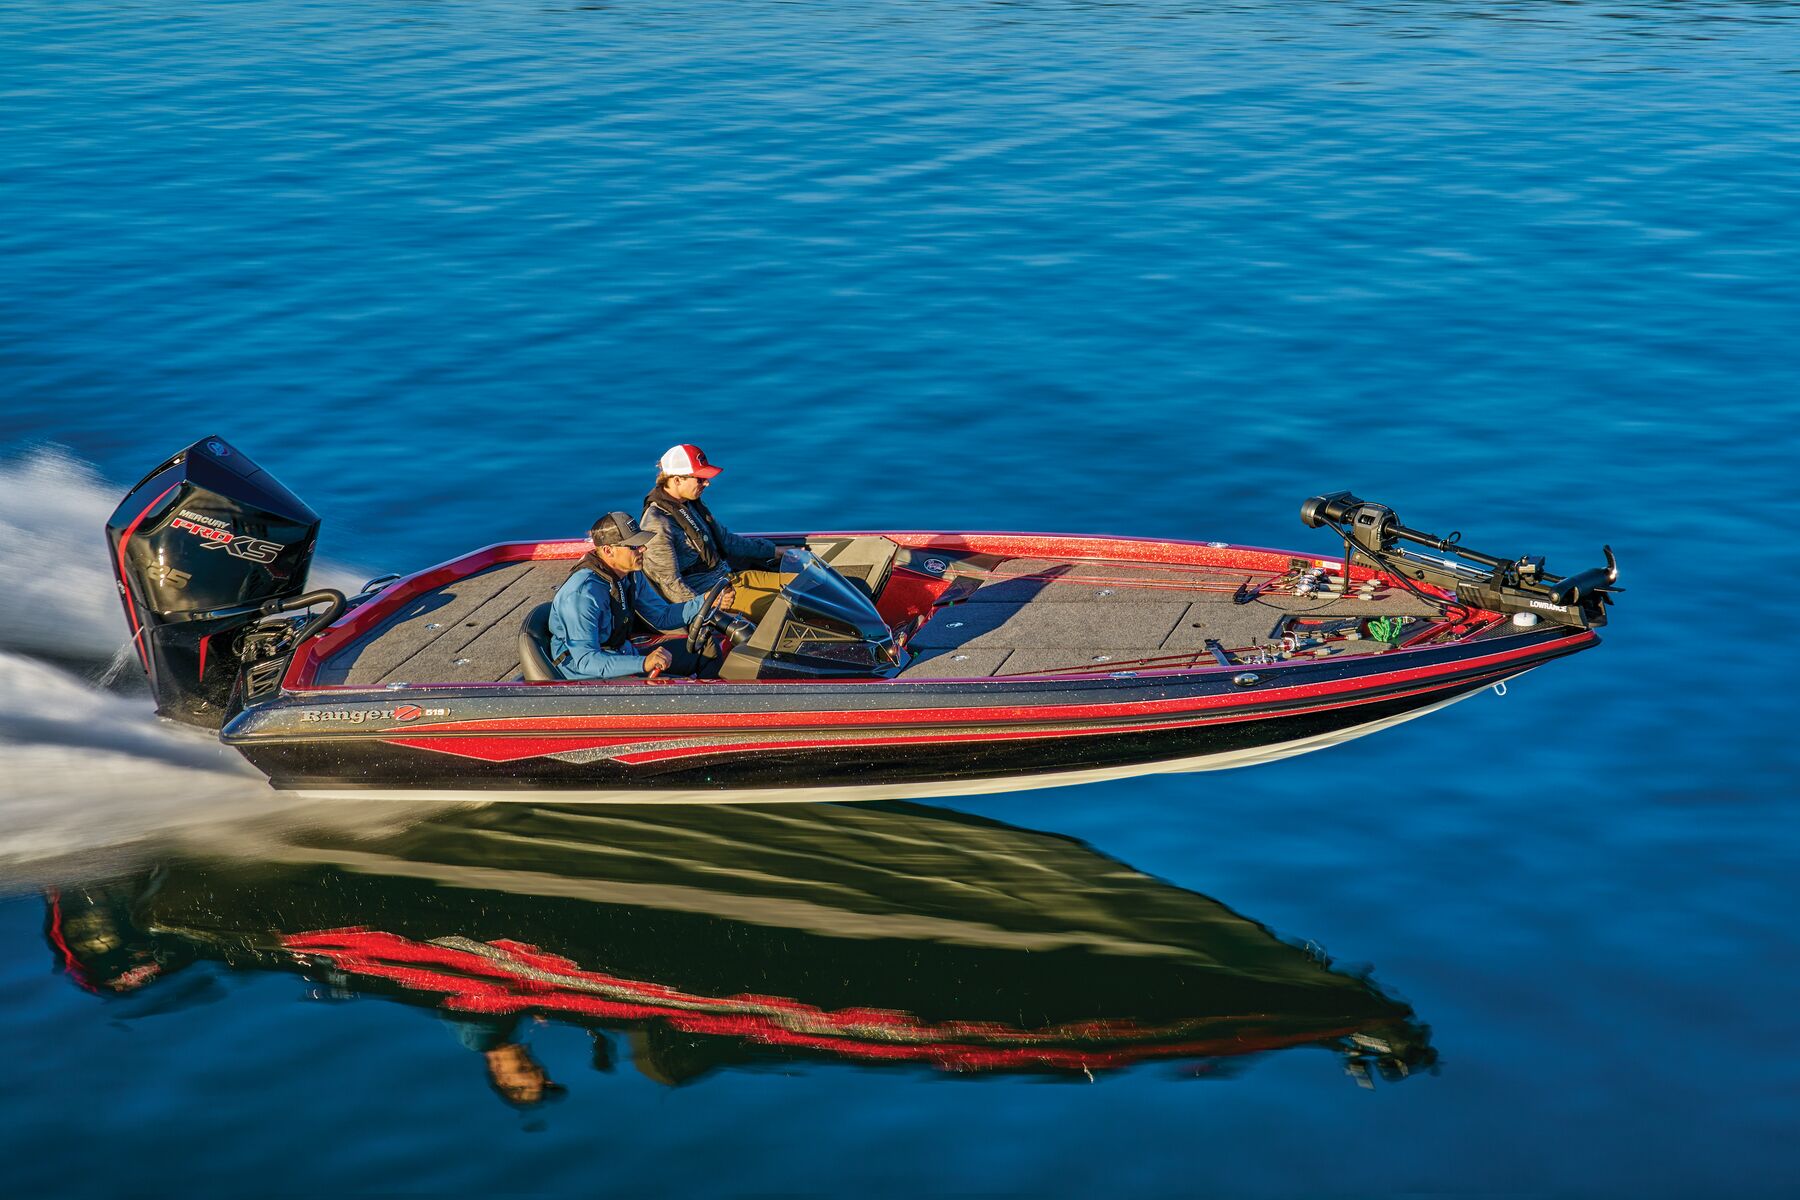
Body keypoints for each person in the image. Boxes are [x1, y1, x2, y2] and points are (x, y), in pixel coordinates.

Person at [549, 511, 732, 680]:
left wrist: (705, 601)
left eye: (642, 543)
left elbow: (662, 616)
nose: (643, 549)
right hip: (585, 678)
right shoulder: (581, 594)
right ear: (608, 550)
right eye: (634, 546)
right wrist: (643, 663)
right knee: (679, 687)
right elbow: (586, 661)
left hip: (621, 654)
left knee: (706, 647)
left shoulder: (630, 573)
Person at [640, 444, 780, 606]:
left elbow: (726, 541)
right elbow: (670, 586)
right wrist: (709, 604)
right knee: (790, 606)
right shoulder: (657, 524)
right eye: (700, 479)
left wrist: (774, 551)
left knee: (803, 585)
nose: (707, 483)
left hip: (729, 577)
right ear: (677, 480)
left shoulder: (689, 504)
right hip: (713, 595)